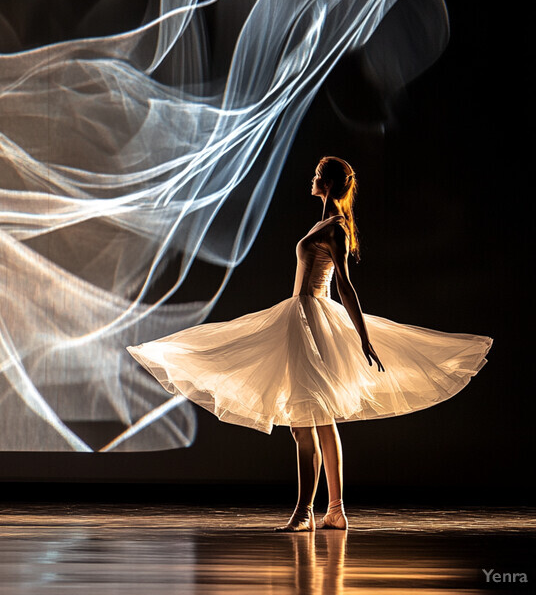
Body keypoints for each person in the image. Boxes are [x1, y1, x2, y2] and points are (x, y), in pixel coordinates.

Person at [127, 156, 492, 531]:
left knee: (304, 422)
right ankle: (335, 510)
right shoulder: (324, 224)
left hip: (311, 320)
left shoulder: (336, 229)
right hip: (301, 317)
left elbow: (345, 286)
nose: (312, 179)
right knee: (320, 418)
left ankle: (305, 513)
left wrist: (364, 337)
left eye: (318, 175)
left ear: (329, 184)